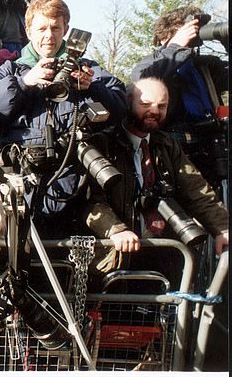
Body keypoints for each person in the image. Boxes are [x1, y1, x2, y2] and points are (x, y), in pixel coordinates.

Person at [0, 0, 127, 239]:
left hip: (72, 194)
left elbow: (120, 105)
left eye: (56, 27)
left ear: (66, 28)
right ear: (28, 30)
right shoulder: (11, 69)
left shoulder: (85, 68)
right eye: (42, 28)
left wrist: (92, 88)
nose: (49, 35)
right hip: (18, 191)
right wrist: (24, 82)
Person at [83, 77, 228, 288]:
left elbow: (196, 189)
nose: (155, 111)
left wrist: (223, 227)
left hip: (162, 255)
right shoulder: (102, 144)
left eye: (162, 106)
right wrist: (115, 229)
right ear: (128, 103)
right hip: (116, 259)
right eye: (146, 104)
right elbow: (89, 200)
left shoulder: (167, 145)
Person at [131, 6, 229, 192]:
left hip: (212, 151)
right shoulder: (152, 63)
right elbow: (142, 83)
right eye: (185, 28)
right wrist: (176, 47)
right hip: (174, 156)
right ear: (164, 37)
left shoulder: (205, 66)